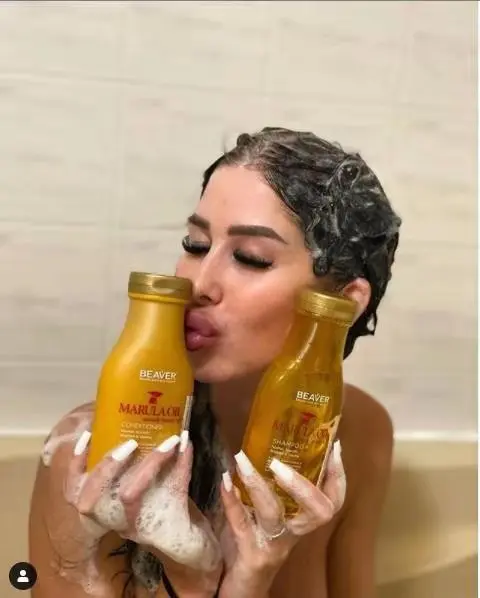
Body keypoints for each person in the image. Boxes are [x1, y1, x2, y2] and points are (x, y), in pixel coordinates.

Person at [29, 127, 401, 598]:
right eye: (195, 245)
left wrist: (251, 581)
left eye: (251, 258)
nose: (199, 283)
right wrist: (196, 583)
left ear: (342, 303)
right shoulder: (96, 460)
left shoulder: (359, 429)